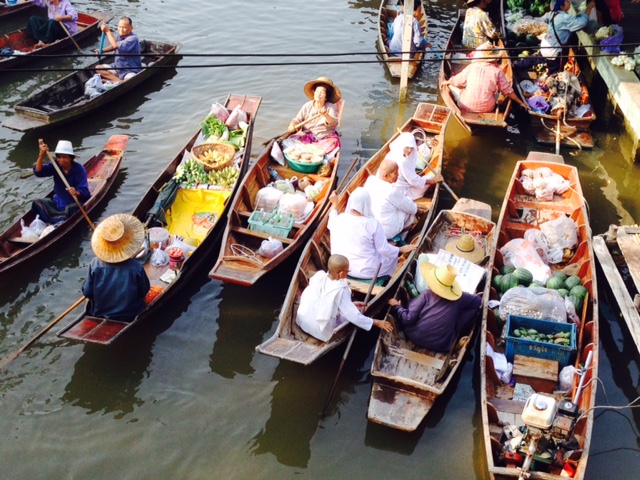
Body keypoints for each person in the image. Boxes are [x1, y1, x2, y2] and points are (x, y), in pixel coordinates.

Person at [295, 254, 394, 342]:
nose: (348, 272)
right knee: (356, 314)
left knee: (349, 309)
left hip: (302, 321)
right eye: (348, 271)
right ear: (341, 273)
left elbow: (324, 301)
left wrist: (352, 305)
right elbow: (353, 316)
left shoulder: (319, 276)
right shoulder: (341, 289)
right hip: (319, 331)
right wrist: (376, 322)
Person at [328, 187, 416, 283]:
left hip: (344, 267)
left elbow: (332, 215)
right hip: (368, 271)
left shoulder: (340, 219)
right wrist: (401, 249)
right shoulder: (373, 223)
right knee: (391, 256)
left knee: (387, 248)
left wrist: (335, 204)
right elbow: (383, 249)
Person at [388, 264, 481, 352]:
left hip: (415, 336)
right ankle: (456, 329)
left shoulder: (427, 294)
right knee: (469, 310)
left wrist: (397, 307)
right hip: (441, 344)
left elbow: (408, 319)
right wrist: (459, 319)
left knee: (411, 305)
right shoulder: (459, 298)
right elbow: (478, 301)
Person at [82, 213, 150, 321]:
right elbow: (144, 291)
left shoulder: (95, 264)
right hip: (130, 315)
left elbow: (87, 292)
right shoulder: (136, 267)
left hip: (99, 313)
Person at [443, 42, 529, 114]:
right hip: (488, 108)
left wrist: (447, 82)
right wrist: (520, 102)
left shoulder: (472, 66)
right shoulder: (497, 71)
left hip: (465, 105)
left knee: (451, 86)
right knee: (496, 92)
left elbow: (457, 81)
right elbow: (508, 91)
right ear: (495, 59)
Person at [514, 0, 590, 75]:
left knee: (534, 59)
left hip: (545, 45)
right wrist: (589, 8)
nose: (569, 2)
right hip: (554, 51)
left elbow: (540, 20)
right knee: (555, 73)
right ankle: (550, 85)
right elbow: (582, 23)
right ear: (561, 6)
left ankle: (517, 66)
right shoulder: (564, 18)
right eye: (566, 1)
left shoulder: (552, 14)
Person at [31, 139, 90, 224]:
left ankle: (58, 220)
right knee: (37, 203)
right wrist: (41, 155)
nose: (60, 160)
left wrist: (76, 192)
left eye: (64, 157)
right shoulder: (55, 165)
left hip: (72, 202)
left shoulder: (79, 169)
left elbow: (84, 191)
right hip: (57, 201)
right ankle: (55, 219)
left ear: (70, 158)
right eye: (59, 157)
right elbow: (39, 172)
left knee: (73, 208)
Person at [363, 158, 417, 241]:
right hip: (387, 232)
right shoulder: (391, 190)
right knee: (409, 207)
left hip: (371, 228)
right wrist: (417, 209)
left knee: (400, 203)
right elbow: (411, 208)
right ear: (385, 176)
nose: (398, 175)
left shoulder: (370, 180)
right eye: (395, 173)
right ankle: (404, 232)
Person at [287, 76, 342, 156]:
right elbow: (297, 120)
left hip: (324, 136)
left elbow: (334, 123)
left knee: (334, 143)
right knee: (289, 141)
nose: (319, 94)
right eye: (317, 91)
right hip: (308, 135)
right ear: (314, 93)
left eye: (322, 92)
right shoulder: (307, 105)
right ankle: (311, 151)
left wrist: (326, 115)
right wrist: (292, 125)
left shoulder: (330, 107)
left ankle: (310, 151)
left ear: (326, 96)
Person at [384, 132, 443, 200]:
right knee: (430, 177)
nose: (409, 151)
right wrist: (432, 181)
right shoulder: (403, 161)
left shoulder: (393, 152)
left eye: (411, 148)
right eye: (407, 148)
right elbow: (414, 181)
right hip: (401, 191)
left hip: (393, 186)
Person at [96, 17, 142, 83]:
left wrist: (108, 31)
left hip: (130, 70)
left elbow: (115, 46)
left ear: (131, 28)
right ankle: (118, 81)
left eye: (124, 27)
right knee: (98, 68)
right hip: (118, 67)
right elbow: (113, 45)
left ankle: (116, 81)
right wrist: (102, 51)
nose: (121, 29)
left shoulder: (133, 39)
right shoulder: (120, 36)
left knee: (128, 81)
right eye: (119, 27)